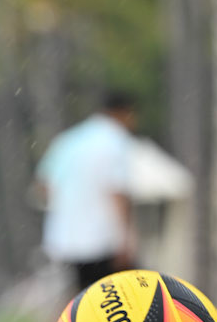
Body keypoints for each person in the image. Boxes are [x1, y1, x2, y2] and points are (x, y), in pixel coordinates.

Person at [35, 91, 139, 298]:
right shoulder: (114, 140)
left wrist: (70, 207)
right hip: (100, 241)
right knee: (126, 298)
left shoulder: (69, 140)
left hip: (65, 240)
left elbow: (43, 185)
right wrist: (125, 239)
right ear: (124, 113)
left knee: (75, 301)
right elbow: (116, 191)